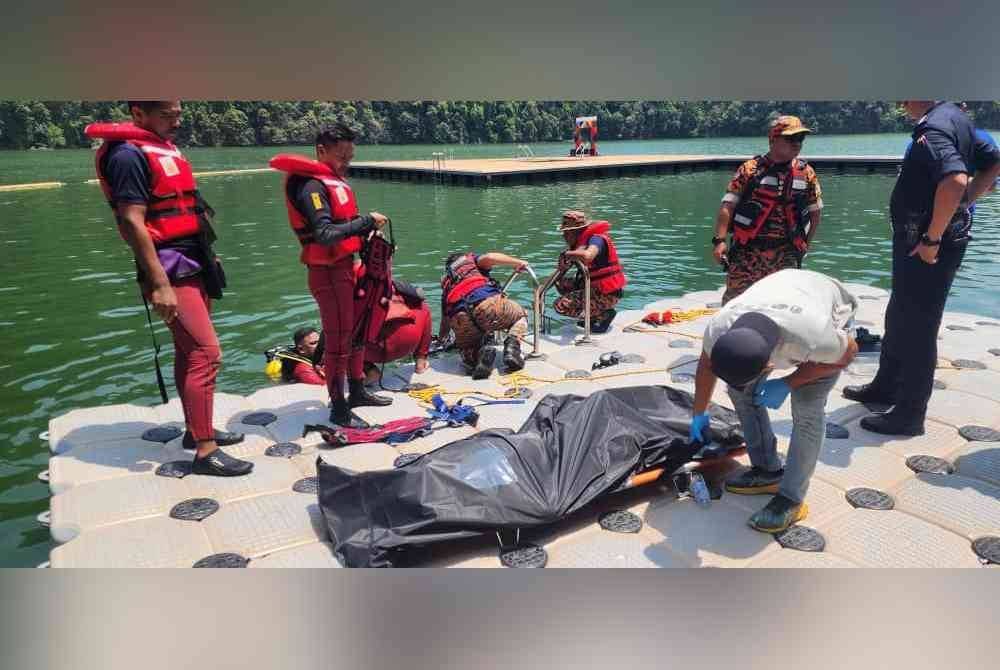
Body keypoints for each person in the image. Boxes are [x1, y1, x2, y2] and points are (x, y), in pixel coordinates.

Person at [85, 101, 250, 477]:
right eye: (167, 115)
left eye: (178, 113)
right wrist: (159, 283)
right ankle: (206, 453)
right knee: (207, 353)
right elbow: (131, 221)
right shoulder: (127, 155)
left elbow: (189, 208)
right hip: (169, 267)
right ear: (138, 112)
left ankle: (197, 432)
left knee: (188, 350)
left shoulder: (162, 146)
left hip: (194, 258)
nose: (176, 121)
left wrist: (210, 254)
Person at [844, 101, 1000, 435]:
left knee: (919, 325)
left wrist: (933, 238)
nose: (899, 101)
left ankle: (909, 414)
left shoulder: (935, 127)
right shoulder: (957, 119)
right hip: (919, 244)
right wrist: (967, 202)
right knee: (900, 312)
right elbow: (993, 161)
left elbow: (955, 179)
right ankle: (886, 385)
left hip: (928, 246)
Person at [690, 269, 859, 532]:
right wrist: (698, 413)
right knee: (740, 392)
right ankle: (767, 471)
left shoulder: (814, 339)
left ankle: (791, 498)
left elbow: (848, 355)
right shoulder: (719, 328)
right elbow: (706, 364)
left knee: (806, 406)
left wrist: (788, 382)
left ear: (770, 365)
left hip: (829, 305)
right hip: (784, 290)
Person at [269, 124, 393, 429]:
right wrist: (365, 222)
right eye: (342, 157)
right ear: (321, 151)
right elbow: (324, 234)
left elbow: (341, 227)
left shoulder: (331, 180)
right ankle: (339, 408)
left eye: (350, 157)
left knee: (357, 331)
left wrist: (366, 235)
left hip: (346, 268)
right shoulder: (310, 185)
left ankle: (358, 390)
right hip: (327, 272)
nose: (347, 164)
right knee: (338, 341)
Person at [711, 115, 824, 304]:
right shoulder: (750, 170)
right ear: (772, 139)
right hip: (747, 252)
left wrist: (806, 244)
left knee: (783, 305)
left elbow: (815, 213)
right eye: (791, 139)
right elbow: (727, 206)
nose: (797, 144)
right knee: (734, 304)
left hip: (786, 252)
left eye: (800, 139)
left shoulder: (806, 173)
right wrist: (720, 241)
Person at [438, 251, 530, 379]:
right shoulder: (472, 262)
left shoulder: (448, 284)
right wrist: (519, 263)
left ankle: (477, 354)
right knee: (521, 315)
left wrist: (441, 340)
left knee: (467, 352)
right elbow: (490, 257)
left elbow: (445, 322)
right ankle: (512, 347)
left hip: (460, 318)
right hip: (487, 305)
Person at [553, 210, 626, 334]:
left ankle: (602, 314)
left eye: (566, 232)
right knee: (562, 283)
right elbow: (559, 273)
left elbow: (588, 256)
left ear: (575, 231)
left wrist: (566, 254)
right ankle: (593, 314)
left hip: (608, 293)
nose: (563, 236)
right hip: (593, 287)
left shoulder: (596, 240)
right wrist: (540, 293)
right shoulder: (578, 246)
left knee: (560, 305)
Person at [363, 284, 433, 383]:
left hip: (375, 352)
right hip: (409, 344)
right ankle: (420, 362)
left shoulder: (359, 291)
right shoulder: (404, 291)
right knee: (424, 308)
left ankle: (370, 371)